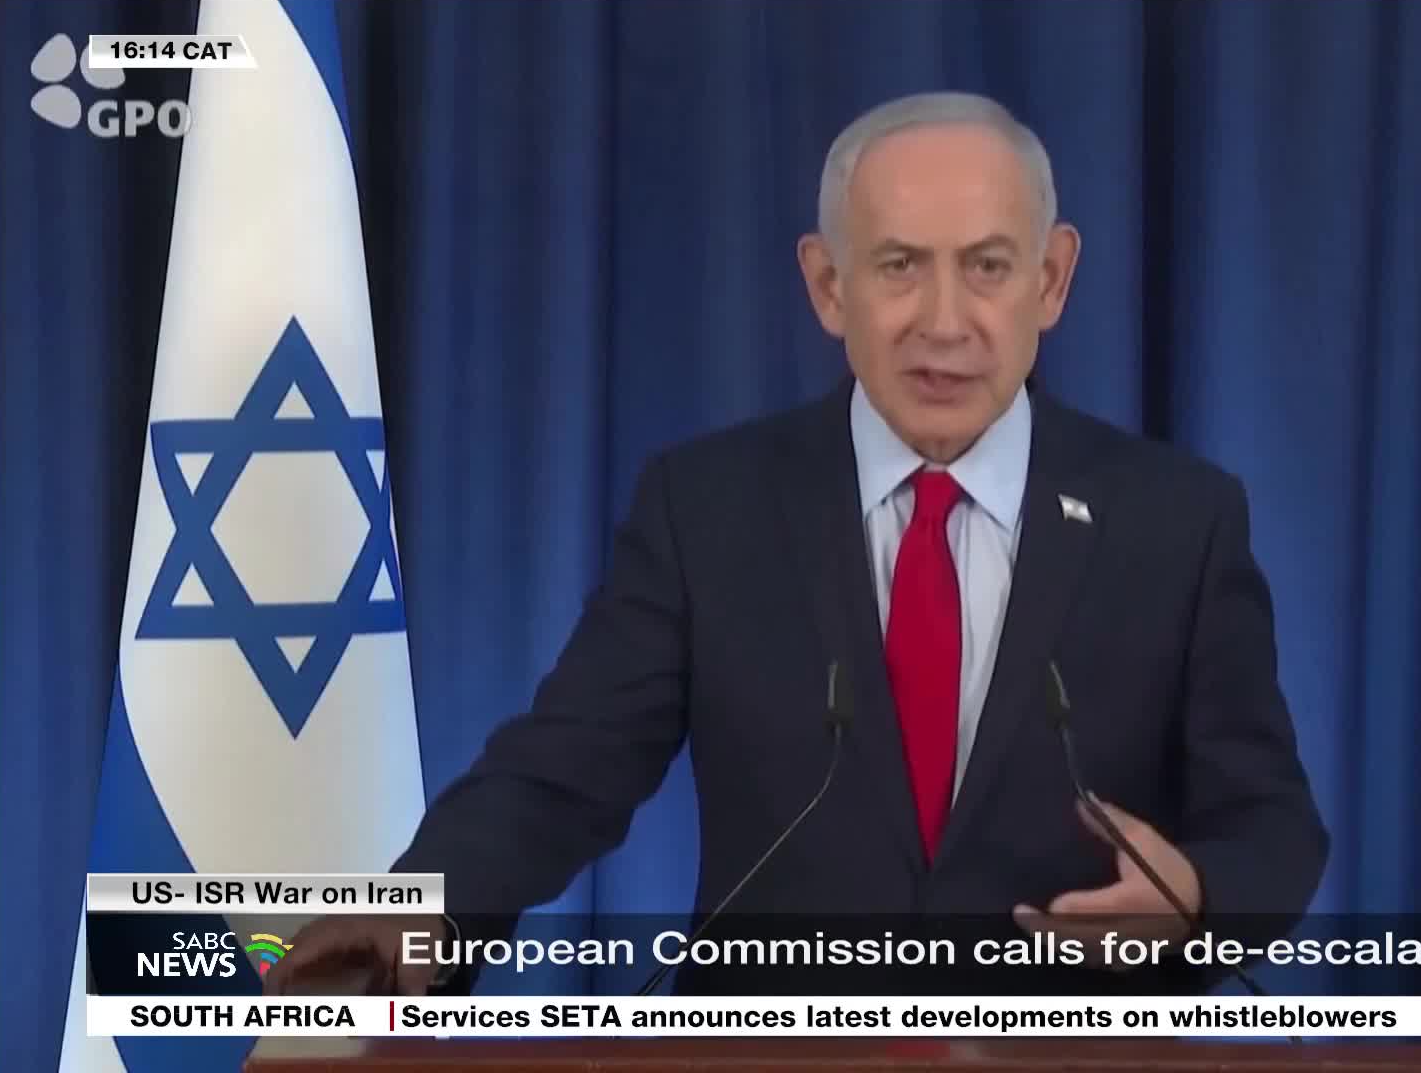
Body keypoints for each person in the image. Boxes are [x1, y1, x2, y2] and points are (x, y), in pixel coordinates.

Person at [265, 91, 1327, 1000]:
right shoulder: (710, 506)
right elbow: (564, 769)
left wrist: (1200, 899)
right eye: (901, 266)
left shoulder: (1175, 520)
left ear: (1051, 281)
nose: (945, 320)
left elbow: (1271, 826)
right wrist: (425, 908)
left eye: (990, 267)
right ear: (829, 286)